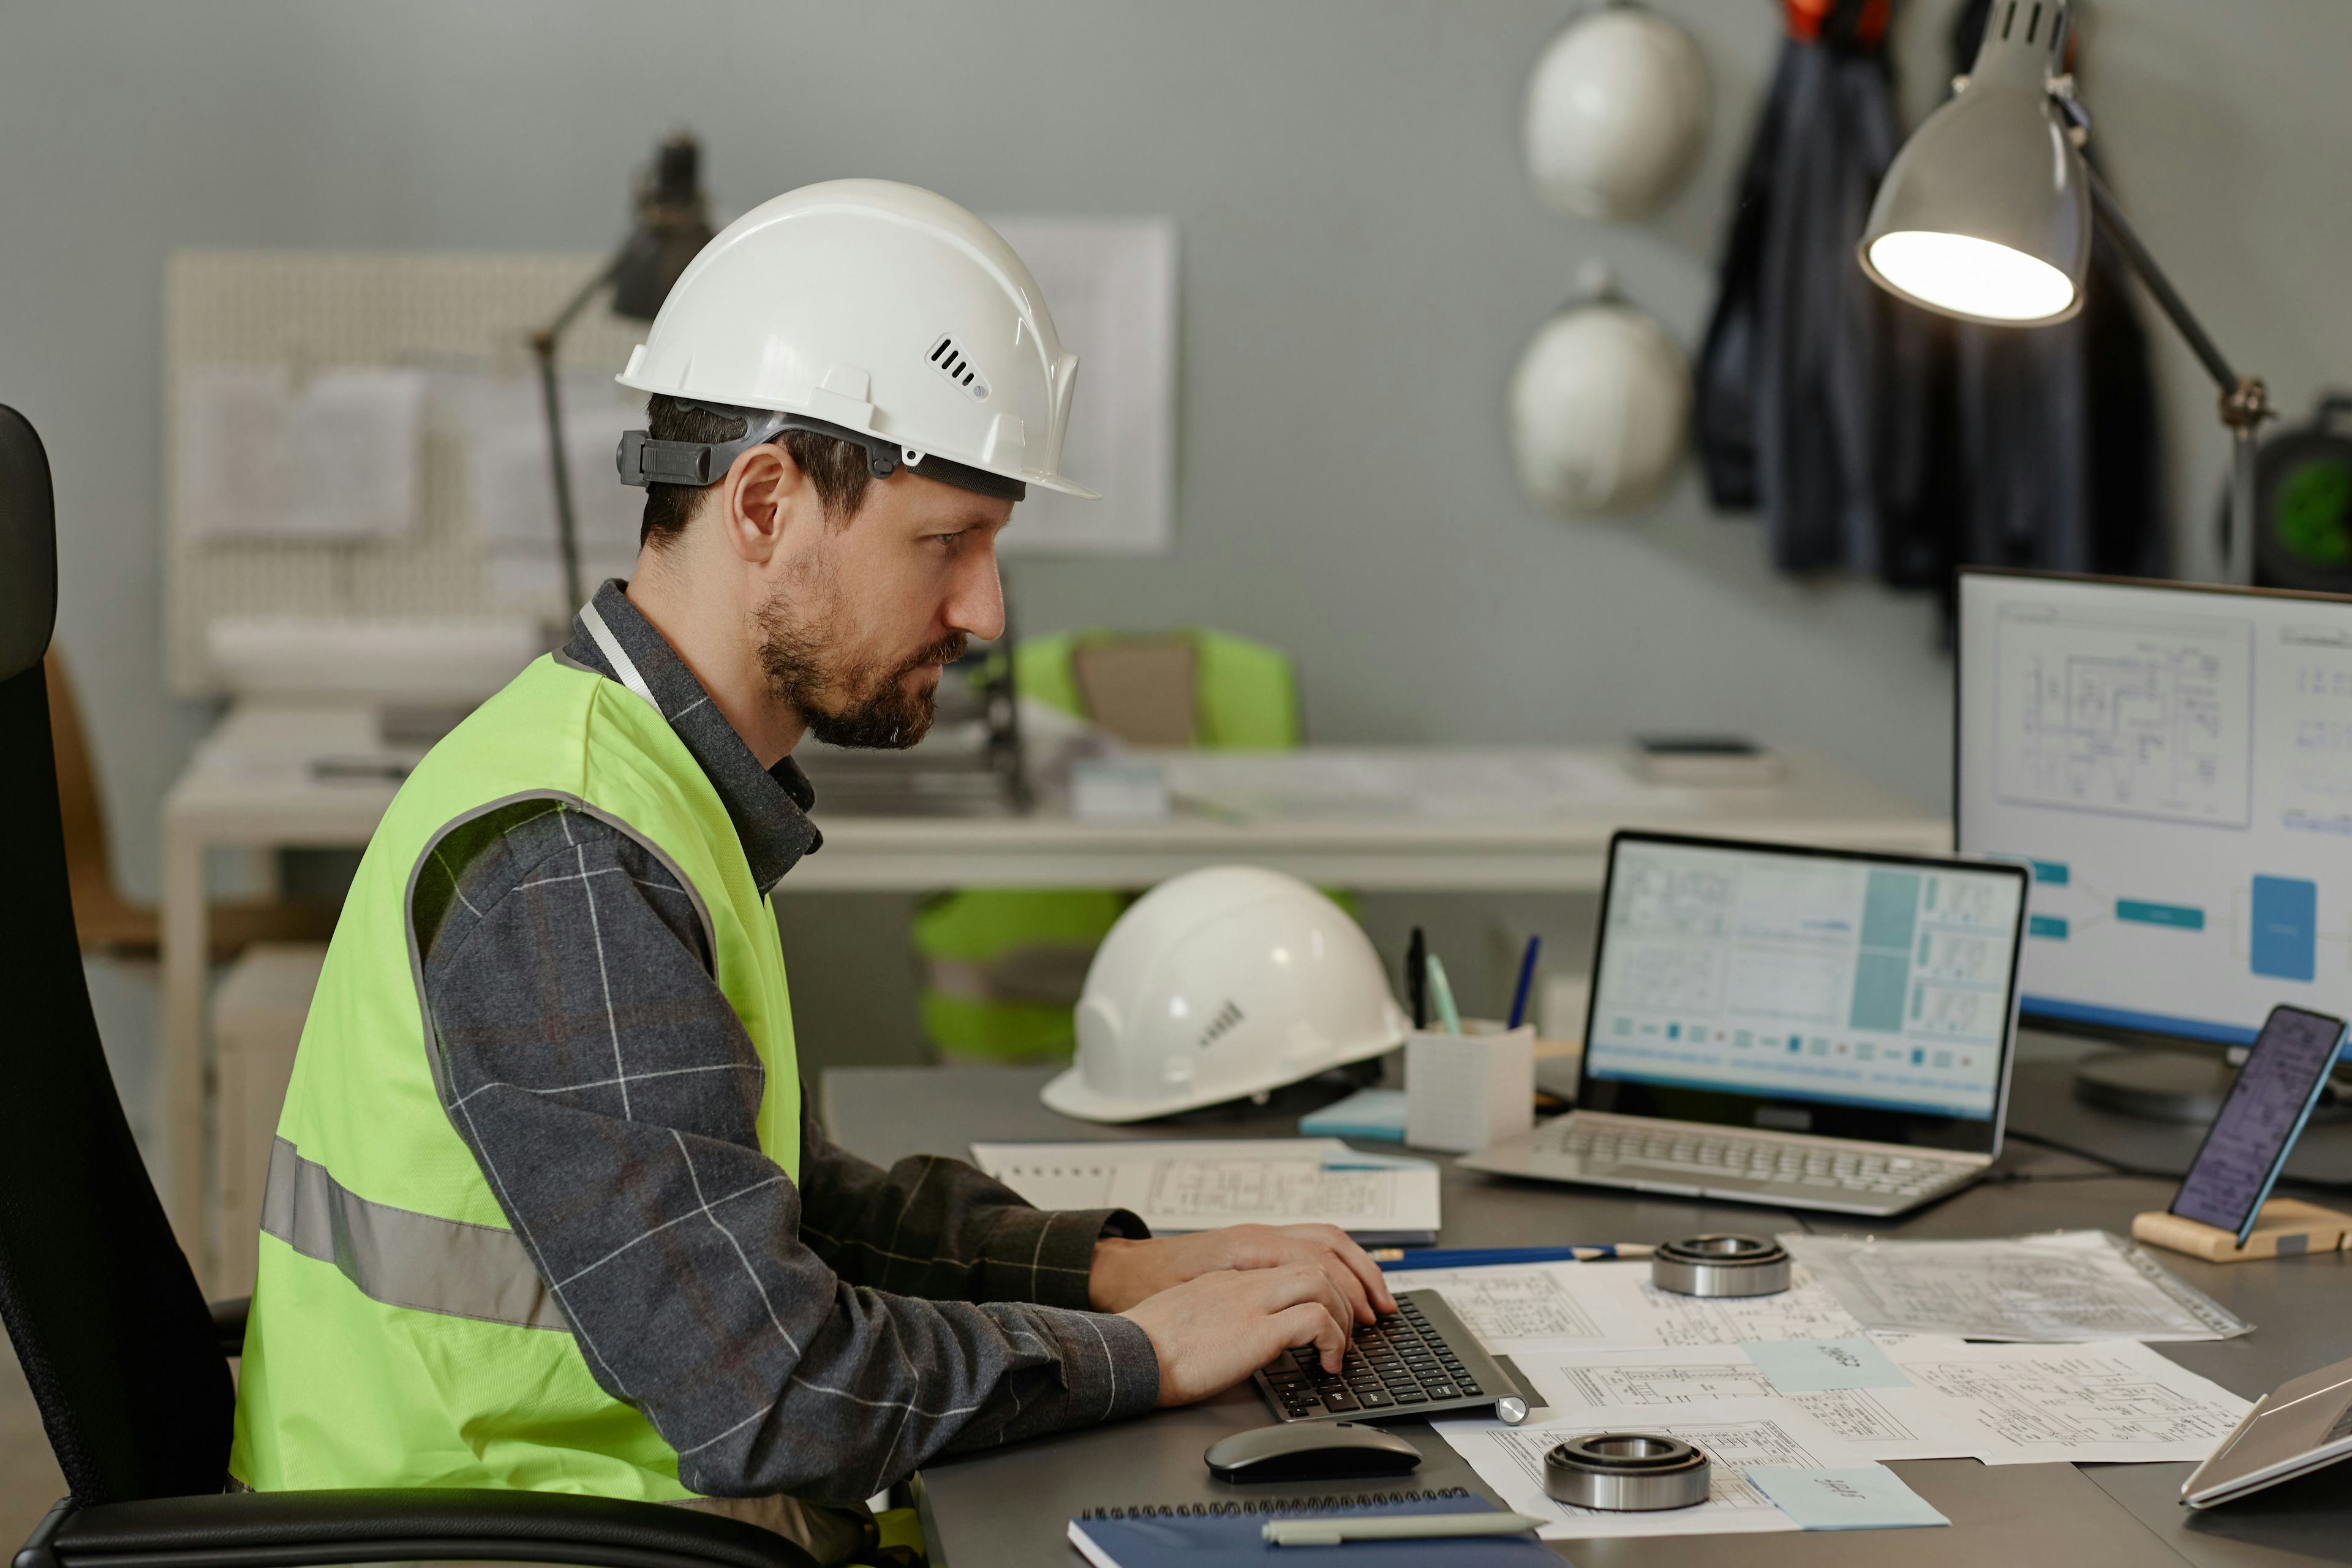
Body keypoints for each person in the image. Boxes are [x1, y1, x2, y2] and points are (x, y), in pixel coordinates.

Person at [226, 181, 1393, 1566]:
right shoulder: (569, 854)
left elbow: (765, 1194)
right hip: (503, 1539)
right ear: (766, 499)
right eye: (946, 542)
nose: (985, 611)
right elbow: (775, 1386)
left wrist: (1109, 1265)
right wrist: (1139, 1351)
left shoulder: (642, 774)